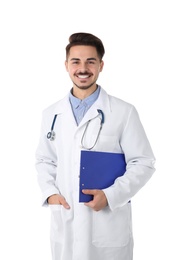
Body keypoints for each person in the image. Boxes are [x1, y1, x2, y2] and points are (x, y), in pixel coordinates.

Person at [35, 32, 156, 260]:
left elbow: (143, 163)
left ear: (101, 65)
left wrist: (110, 196)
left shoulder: (123, 112)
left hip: (107, 226)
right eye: (76, 61)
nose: (83, 68)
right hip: (66, 221)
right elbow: (45, 160)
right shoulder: (51, 114)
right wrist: (51, 194)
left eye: (90, 61)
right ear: (66, 65)